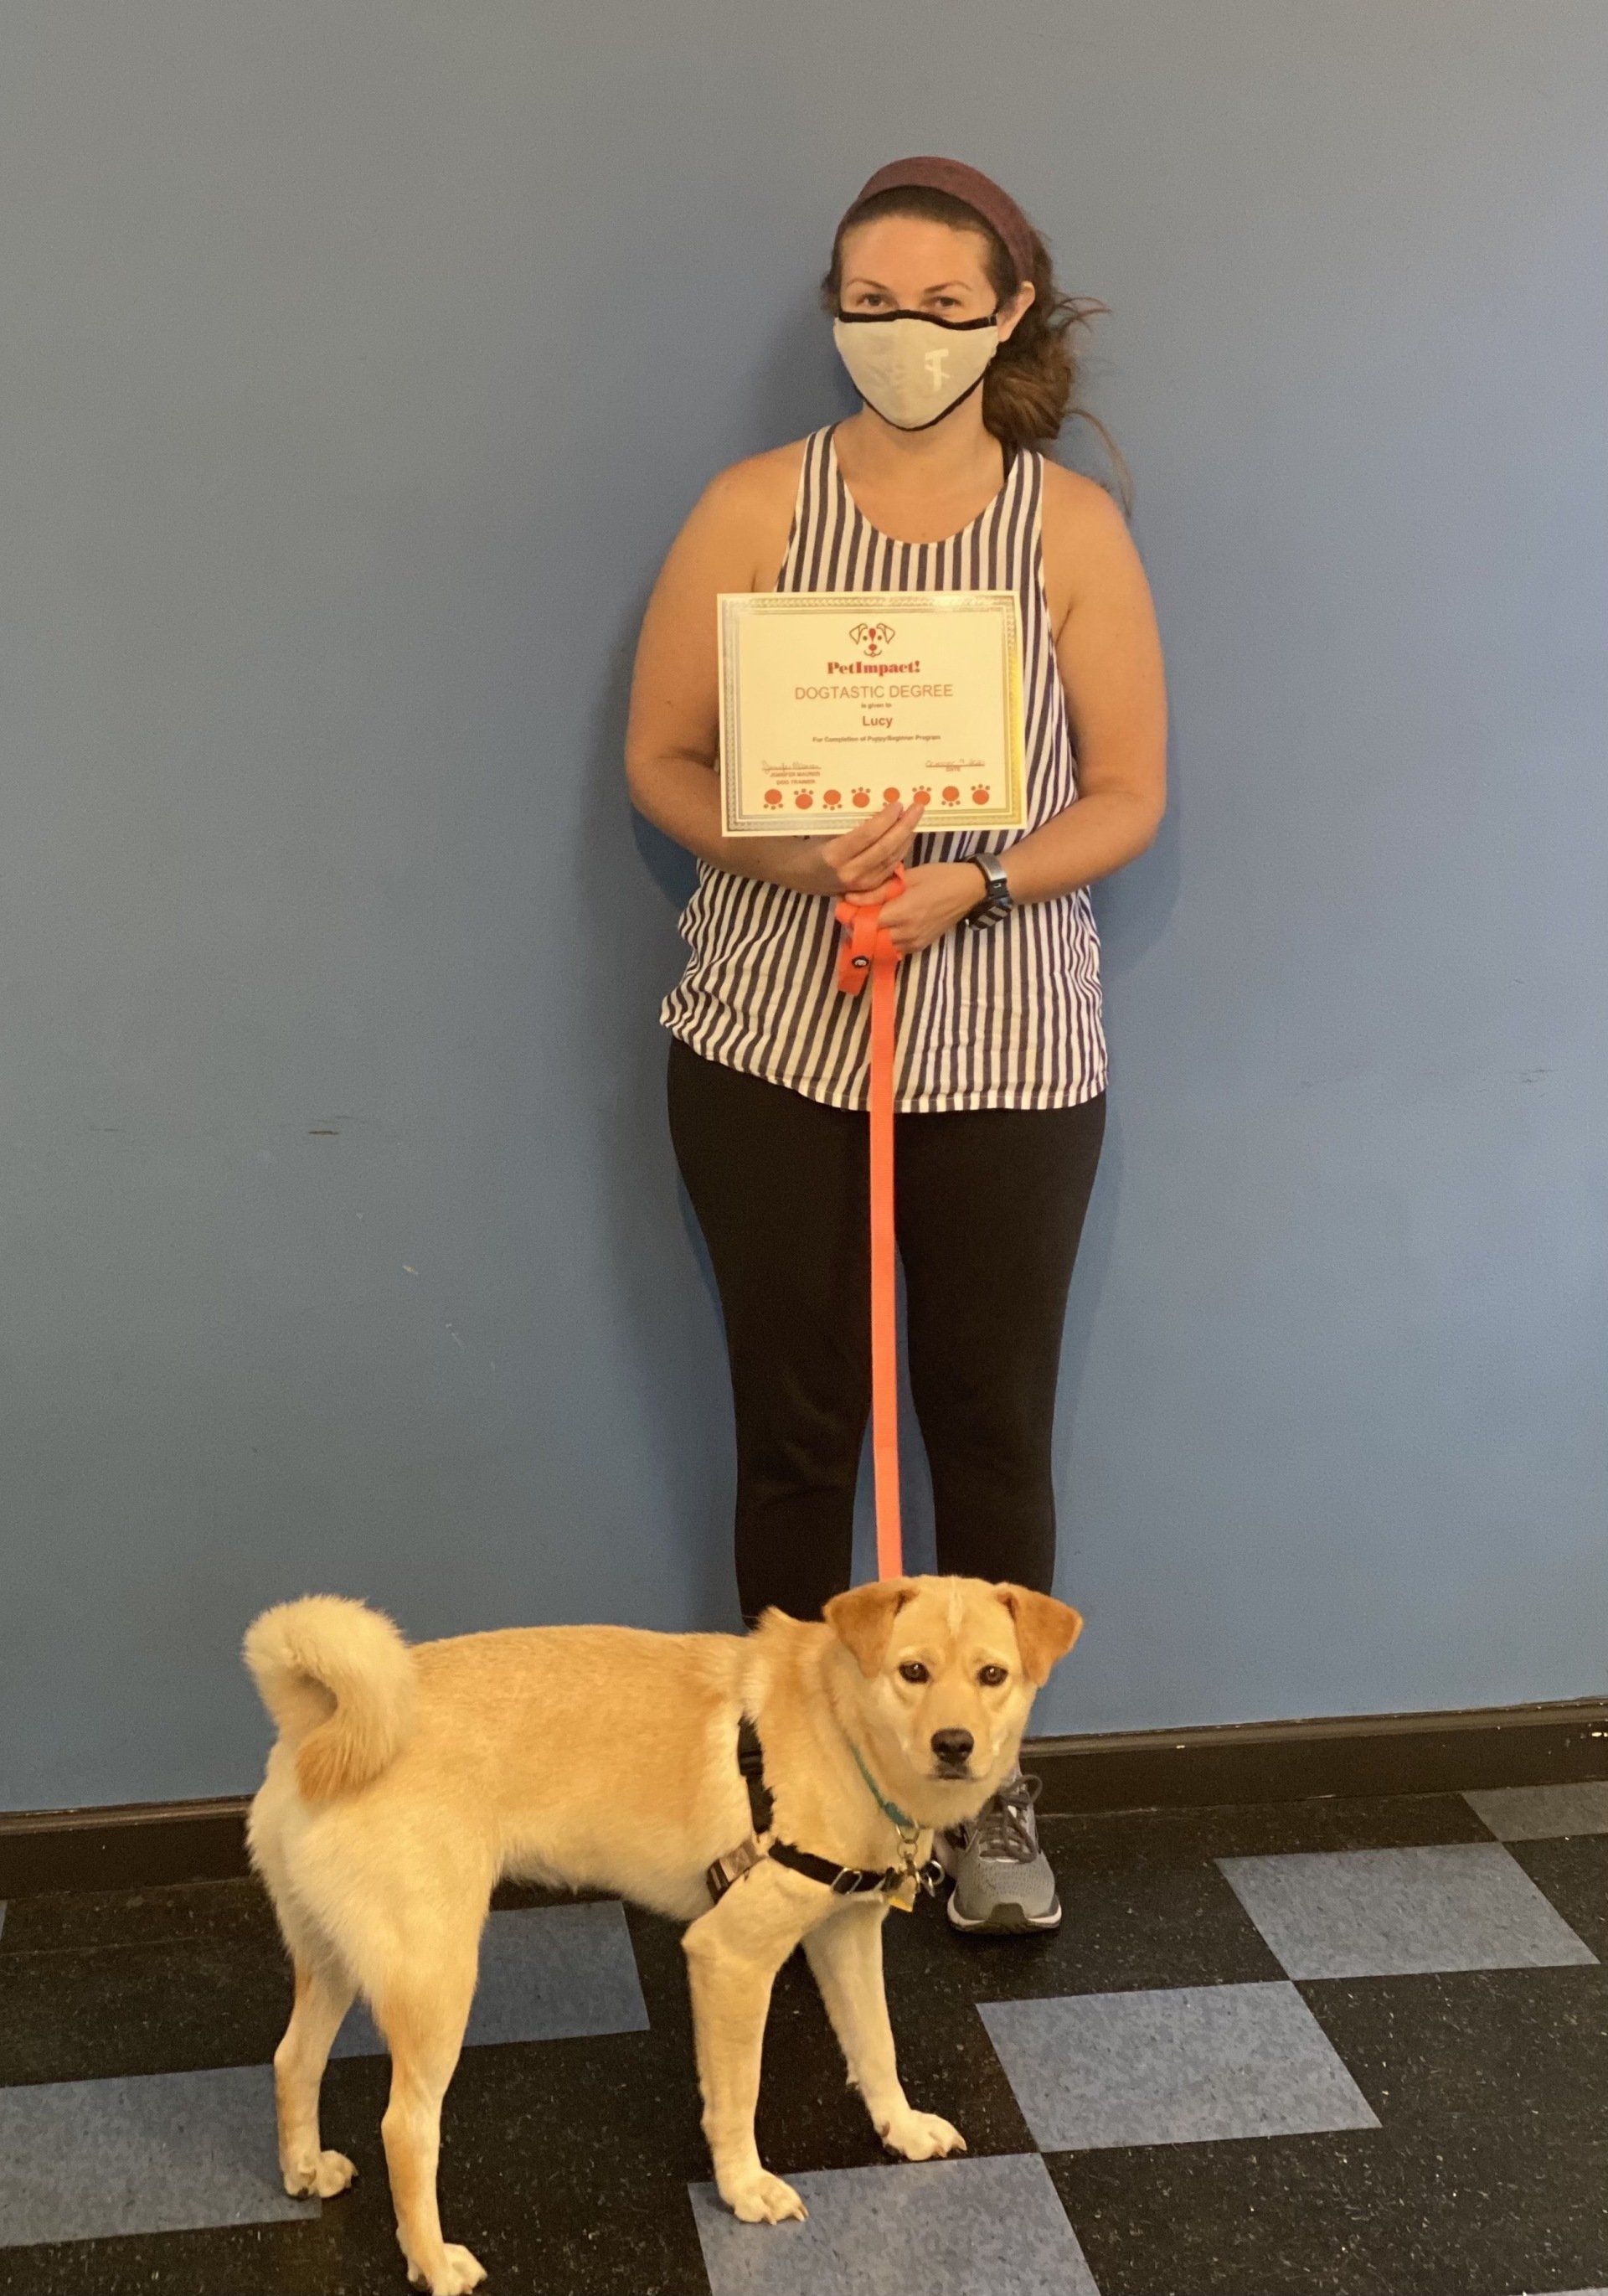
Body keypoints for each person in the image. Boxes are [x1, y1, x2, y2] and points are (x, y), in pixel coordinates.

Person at [625, 156, 1167, 1933]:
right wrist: (796, 853)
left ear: (1009, 311)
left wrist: (975, 880)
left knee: (988, 1429)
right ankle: (773, 1794)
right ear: (831, 308)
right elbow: (666, 761)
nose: (905, 334)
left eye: (946, 305)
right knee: (794, 1433)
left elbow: (1131, 797)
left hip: (1008, 1055)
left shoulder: (1069, 531)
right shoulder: (751, 511)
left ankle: (988, 1803)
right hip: (777, 1036)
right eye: (873, 301)